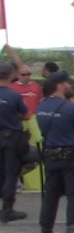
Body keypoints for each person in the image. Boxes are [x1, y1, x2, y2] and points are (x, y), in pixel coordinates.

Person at [35, 71, 74, 233]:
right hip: (69, 157)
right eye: (67, 83)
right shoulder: (69, 108)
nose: (70, 85)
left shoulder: (41, 107)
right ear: (59, 85)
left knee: (50, 197)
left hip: (50, 157)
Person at [0, 63, 29, 224]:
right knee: (11, 174)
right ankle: (7, 209)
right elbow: (26, 116)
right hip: (11, 138)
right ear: (11, 75)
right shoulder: (14, 96)